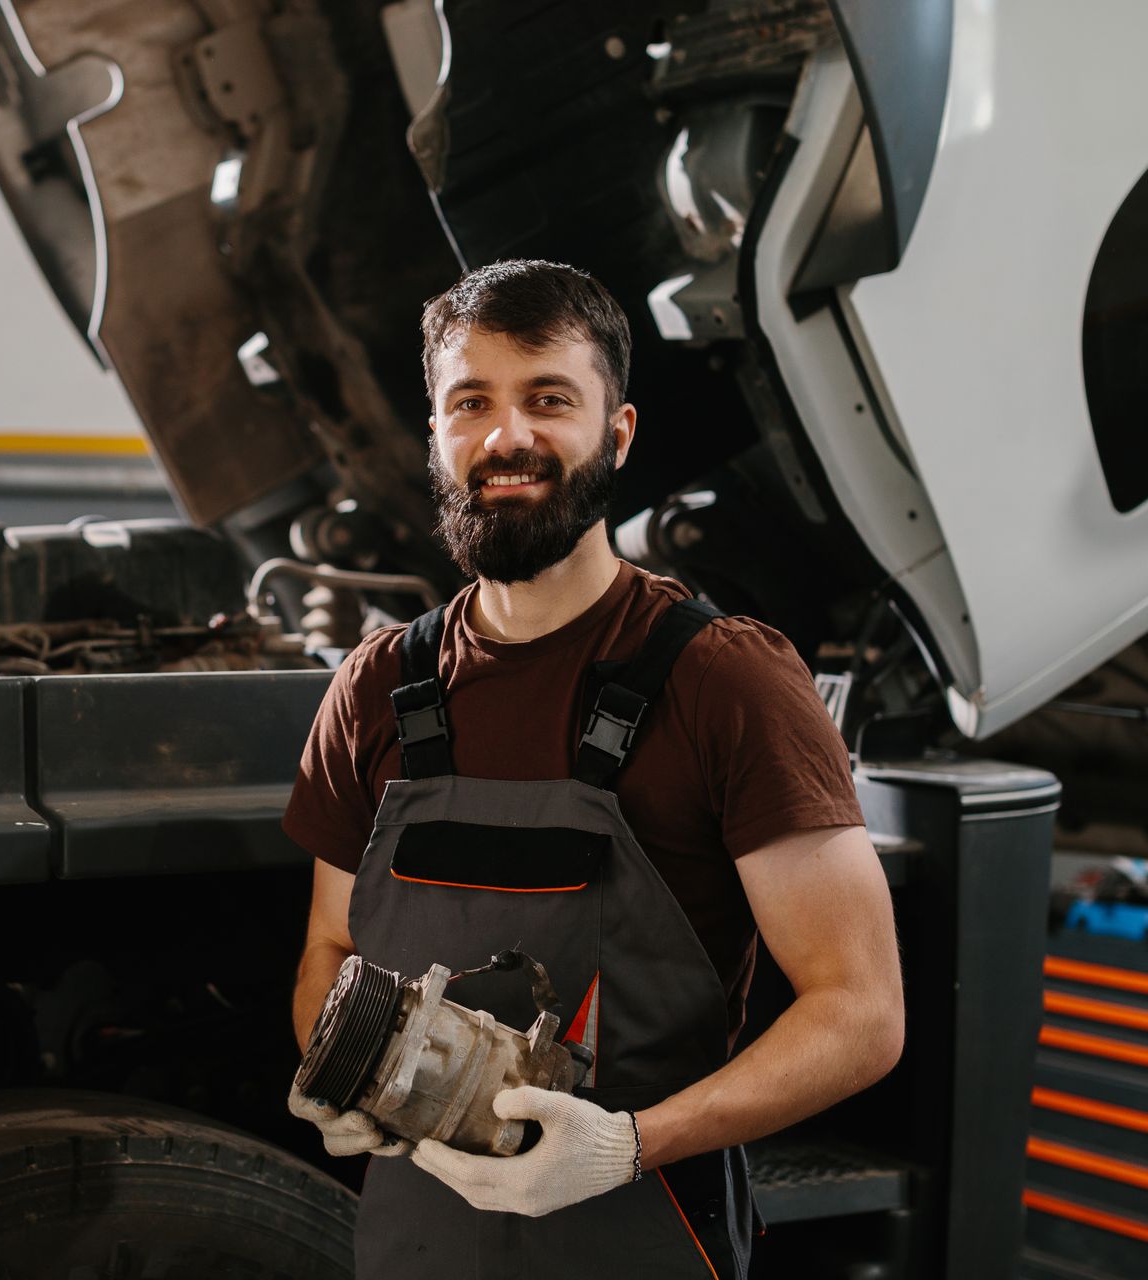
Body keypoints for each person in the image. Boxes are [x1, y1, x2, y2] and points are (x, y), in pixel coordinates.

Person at [283, 260, 905, 1278]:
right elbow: (328, 947)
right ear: (435, 434)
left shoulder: (723, 680)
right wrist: (356, 1077)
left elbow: (862, 1011)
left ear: (616, 433)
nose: (507, 436)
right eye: (471, 401)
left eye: (549, 399)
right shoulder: (376, 689)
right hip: (416, 1250)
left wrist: (628, 1143)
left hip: (642, 1237)